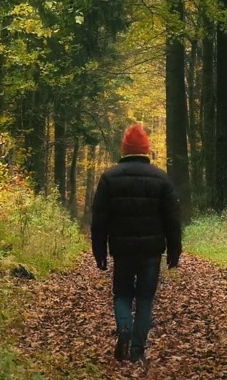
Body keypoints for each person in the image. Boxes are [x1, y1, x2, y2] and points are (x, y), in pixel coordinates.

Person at [90, 123, 182, 364]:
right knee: (144, 299)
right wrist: (175, 251)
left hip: (122, 250)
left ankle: (124, 330)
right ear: (146, 150)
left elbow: (99, 218)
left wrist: (99, 250)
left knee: (121, 294)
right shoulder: (162, 179)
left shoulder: (109, 178)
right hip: (151, 252)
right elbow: (172, 220)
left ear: (124, 150)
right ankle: (138, 351)